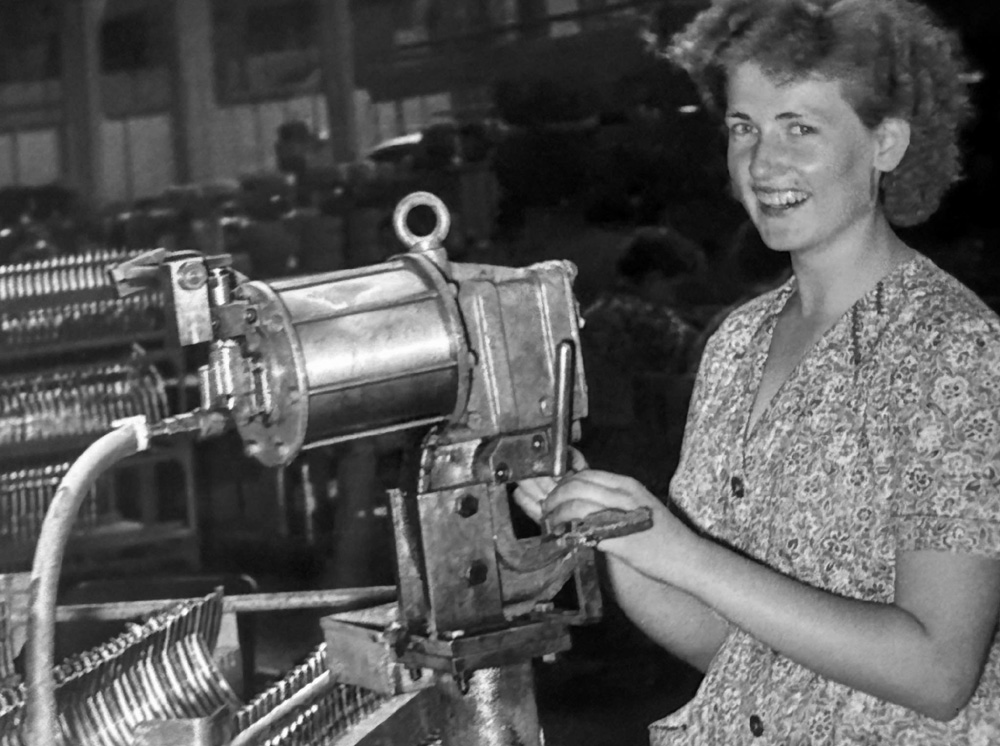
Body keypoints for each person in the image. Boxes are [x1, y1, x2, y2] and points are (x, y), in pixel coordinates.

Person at [515, 0, 1000, 743]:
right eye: (744, 127)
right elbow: (734, 648)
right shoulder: (738, 344)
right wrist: (617, 533)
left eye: (800, 127)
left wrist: (685, 554)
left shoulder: (952, 350)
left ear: (887, 144)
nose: (763, 163)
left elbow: (939, 674)